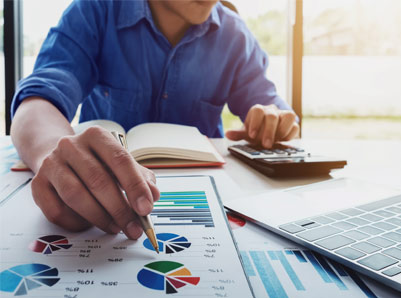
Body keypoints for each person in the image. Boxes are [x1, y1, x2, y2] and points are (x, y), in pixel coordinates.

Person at [10, 0, 299, 240]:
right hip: (104, 201)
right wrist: (55, 155)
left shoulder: (236, 35)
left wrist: (276, 121)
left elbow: (275, 110)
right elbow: (39, 98)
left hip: (208, 206)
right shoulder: (94, 10)